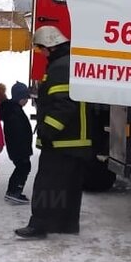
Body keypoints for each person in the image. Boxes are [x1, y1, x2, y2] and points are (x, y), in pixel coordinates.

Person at [15, 27, 92, 240]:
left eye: (42, 49)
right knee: (70, 184)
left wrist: (48, 131)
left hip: (62, 140)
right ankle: (66, 224)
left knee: (47, 184)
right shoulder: (71, 62)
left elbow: (64, 105)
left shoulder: (60, 67)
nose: (42, 53)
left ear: (51, 46)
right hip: (76, 140)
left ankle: (39, 225)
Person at [0, 82, 33, 205]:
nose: (27, 101)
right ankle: (14, 192)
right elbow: (18, 133)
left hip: (18, 147)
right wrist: (23, 148)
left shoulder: (14, 109)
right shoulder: (14, 112)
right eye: (25, 99)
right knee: (23, 167)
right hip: (19, 148)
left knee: (21, 167)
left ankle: (12, 191)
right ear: (19, 98)